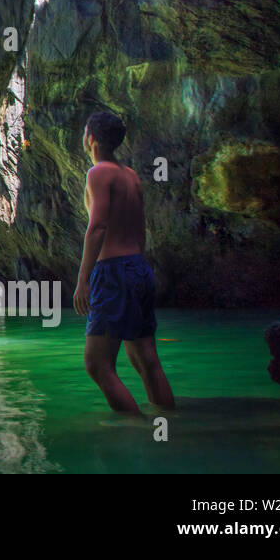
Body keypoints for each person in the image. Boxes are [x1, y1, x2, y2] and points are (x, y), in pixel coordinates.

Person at [73, 111, 175, 414]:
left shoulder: (99, 173)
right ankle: (169, 424)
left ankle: (133, 428)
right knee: (146, 358)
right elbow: (140, 230)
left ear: (90, 138)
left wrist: (83, 280)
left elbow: (98, 226)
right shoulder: (130, 175)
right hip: (138, 267)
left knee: (97, 364)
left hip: (114, 271)